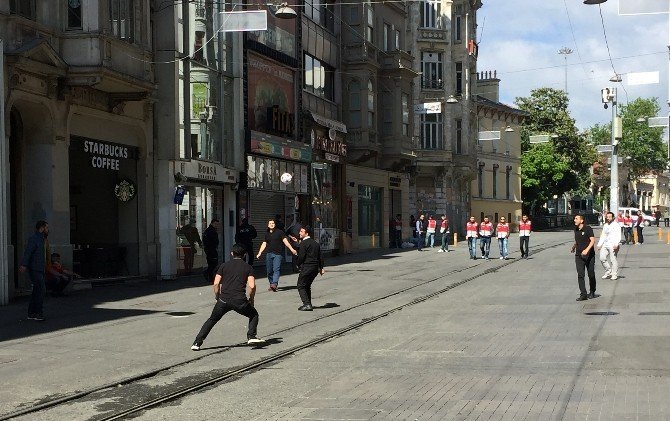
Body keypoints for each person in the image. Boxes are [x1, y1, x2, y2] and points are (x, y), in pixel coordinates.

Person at [191, 244, 265, 350]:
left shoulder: (224, 266)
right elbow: (252, 286)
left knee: (212, 319)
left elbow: (216, 284)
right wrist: (251, 299)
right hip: (240, 301)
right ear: (244, 255)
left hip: (223, 300)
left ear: (232, 254)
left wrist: (217, 296)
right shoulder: (248, 267)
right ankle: (251, 336)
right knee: (253, 315)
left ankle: (197, 343)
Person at [19, 221, 50, 321]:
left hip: (40, 268)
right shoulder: (35, 239)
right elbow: (28, 251)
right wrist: (24, 264)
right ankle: (38, 313)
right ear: (42, 228)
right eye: (47, 228)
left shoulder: (43, 239)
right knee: (41, 290)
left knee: (37, 290)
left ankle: (31, 313)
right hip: (35, 268)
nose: (48, 230)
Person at [256, 219, 297, 291]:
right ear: (268, 225)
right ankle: (271, 283)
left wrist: (291, 249)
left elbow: (285, 241)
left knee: (276, 269)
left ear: (275, 225)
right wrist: (259, 253)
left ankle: (274, 284)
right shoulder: (267, 233)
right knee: (269, 271)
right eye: (270, 223)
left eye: (273, 223)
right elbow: (264, 243)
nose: (272, 224)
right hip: (269, 254)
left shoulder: (280, 232)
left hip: (278, 254)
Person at [295, 225, 325, 311]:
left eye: (301, 231)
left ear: (306, 233)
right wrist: (321, 267)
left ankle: (307, 304)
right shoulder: (315, 243)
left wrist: (297, 264)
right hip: (315, 268)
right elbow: (320, 256)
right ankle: (309, 303)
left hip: (307, 267)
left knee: (300, 285)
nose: (299, 233)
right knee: (307, 285)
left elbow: (301, 256)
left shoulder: (304, 243)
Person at [571, 214, 597, 301]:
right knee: (580, 274)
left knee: (591, 273)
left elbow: (592, 241)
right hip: (579, 255)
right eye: (574, 218)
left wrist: (586, 250)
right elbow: (577, 240)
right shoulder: (575, 229)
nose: (574, 220)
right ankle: (583, 294)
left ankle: (592, 291)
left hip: (589, 255)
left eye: (576, 219)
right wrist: (574, 247)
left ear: (581, 221)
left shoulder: (588, 228)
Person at [597, 211, 621, 281]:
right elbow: (603, 235)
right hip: (605, 244)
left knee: (613, 260)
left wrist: (616, 244)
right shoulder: (605, 225)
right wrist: (599, 244)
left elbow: (618, 235)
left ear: (613, 217)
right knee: (602, 258)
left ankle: (614, 274)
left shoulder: (616, 225)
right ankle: (608, 271)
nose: (608, 218)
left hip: (613, 244)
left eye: (610, 217)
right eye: (607, 217)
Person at [202, 218, 220, 283]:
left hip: (210, 249)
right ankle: (208, 274)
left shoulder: (209, 230)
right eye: (215, 224)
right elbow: (210, 241)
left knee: (212, 264)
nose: (216, 225)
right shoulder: (211, 231)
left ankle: (210, 276)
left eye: (217, 224)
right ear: (212, 223)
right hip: (211, 249)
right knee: (213, 263)